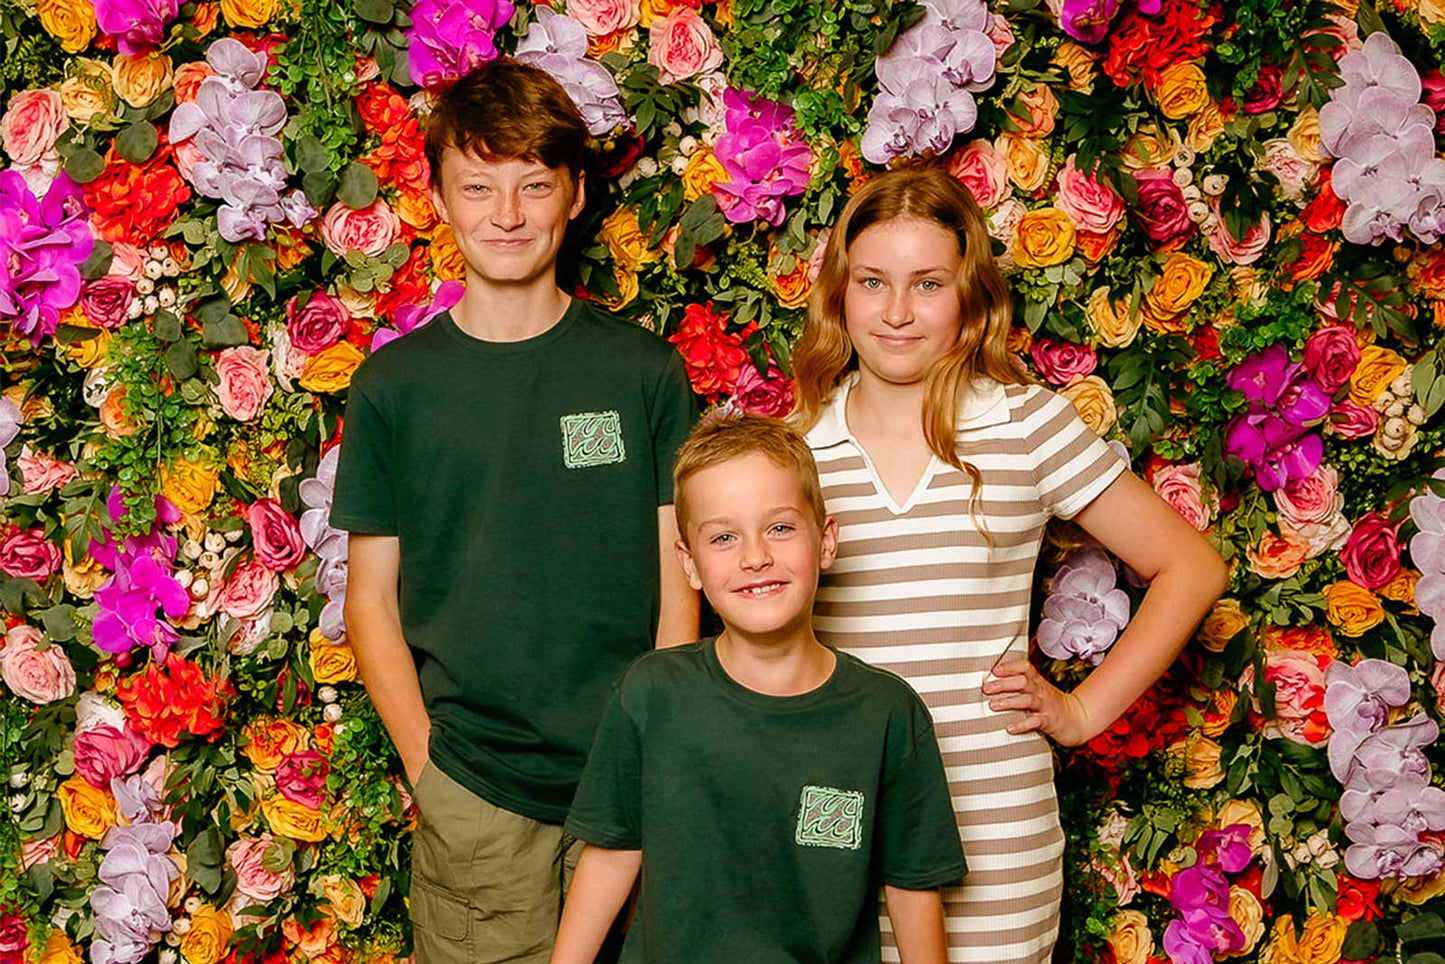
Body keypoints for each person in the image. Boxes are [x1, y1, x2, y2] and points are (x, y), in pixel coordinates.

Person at [790, 166, 1230, 964]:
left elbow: (1190, 569)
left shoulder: (1022, 423)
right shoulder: (795, 445)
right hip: (831, 808)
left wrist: (1081, 712)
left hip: (988, 819)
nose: (895, 311)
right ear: (838, 291)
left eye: (926, 283)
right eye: (872, 282)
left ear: (968, 295)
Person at [330, 59, 699, 964]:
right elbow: (369, 602)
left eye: (533, 186)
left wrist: (656, 757)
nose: (506, 215)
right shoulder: (395, 389)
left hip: (629, 782)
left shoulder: (641, 373)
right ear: (441, 200)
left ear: (574, 195)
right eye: (479, 187)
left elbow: (678, 584)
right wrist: (432, 771)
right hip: (478, 794)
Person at [551, 416, 968, 964]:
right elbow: (610, 856)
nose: (755, 557)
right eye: (723, 537)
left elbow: (914, 890)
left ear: (826, 541)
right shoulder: (650, 693)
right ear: (689, 565)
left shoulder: (886, 715)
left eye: (779, 528)